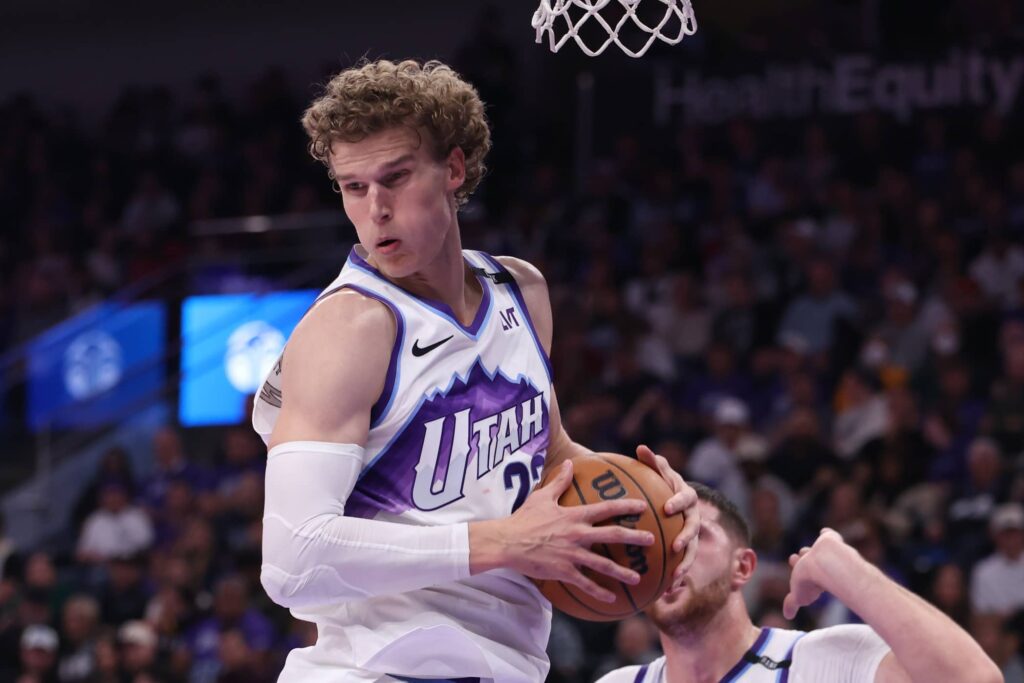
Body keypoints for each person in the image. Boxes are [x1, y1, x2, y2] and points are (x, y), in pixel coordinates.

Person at [251, 59, 700, 683]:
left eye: (396, 179)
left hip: (506, 661)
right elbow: (293, 560)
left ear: (454, 170)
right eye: (354, 187)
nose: (375, 209)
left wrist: (656, 503)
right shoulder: (351, 327)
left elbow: (550, 453)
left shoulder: (520, 289)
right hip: (376, 667)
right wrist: (507, 542)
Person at [598, 483, 1001, 683]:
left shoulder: (823, 660)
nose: (676, 554)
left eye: (697, 535)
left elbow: (974, 679)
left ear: (744, 567)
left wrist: (847, 568)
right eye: (663, 541)